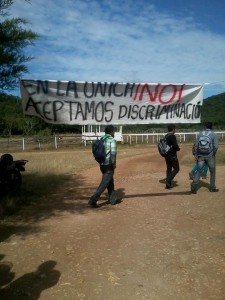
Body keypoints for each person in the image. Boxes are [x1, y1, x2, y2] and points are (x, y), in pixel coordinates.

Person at [88, 125, 118, 208]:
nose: (114, 133)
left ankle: (112, 199)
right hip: (109, 164)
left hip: (102, 164)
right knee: (105, 183)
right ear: (111, 131)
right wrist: (114, 163)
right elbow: (113, 154)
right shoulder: (112, 140)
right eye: (114, 131)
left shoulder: (102, 138)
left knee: (110, 181)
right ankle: (93, 200)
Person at [191, 121, 219, 194]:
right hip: (210, 156)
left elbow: (196, 145)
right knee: (212, 172)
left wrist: (196, 154)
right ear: (211, 127)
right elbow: (216, 147)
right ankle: (212, 187)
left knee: (199, 170)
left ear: (205, 127)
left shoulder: (200, 134)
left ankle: (194, 185)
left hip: (201, 155)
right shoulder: (214, 135)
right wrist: (213, 154)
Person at [164, 124, 180, 189]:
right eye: (175, 129)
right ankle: (168, 180)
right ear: (173, 129)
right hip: (172, 155)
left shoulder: (166, 135)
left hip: (166, 154)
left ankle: (168, 185)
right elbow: (175, 145)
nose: (175, 130)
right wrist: (178, 149)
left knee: (169, 169)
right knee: (176, 168)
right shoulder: (172, 136)